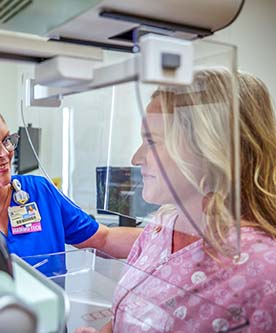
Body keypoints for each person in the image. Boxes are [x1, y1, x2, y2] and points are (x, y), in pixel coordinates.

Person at [77, 68, 276, 333]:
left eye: (152, 141)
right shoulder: (162, 226)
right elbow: (125, 316)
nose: (136, 158)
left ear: (206, 147)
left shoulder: (264, 272)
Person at [0, 97, 141, 275]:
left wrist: (166, 238)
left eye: (6, 140)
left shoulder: (40, 192)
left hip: (52, 321)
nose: (5, 153)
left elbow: (103, 239)